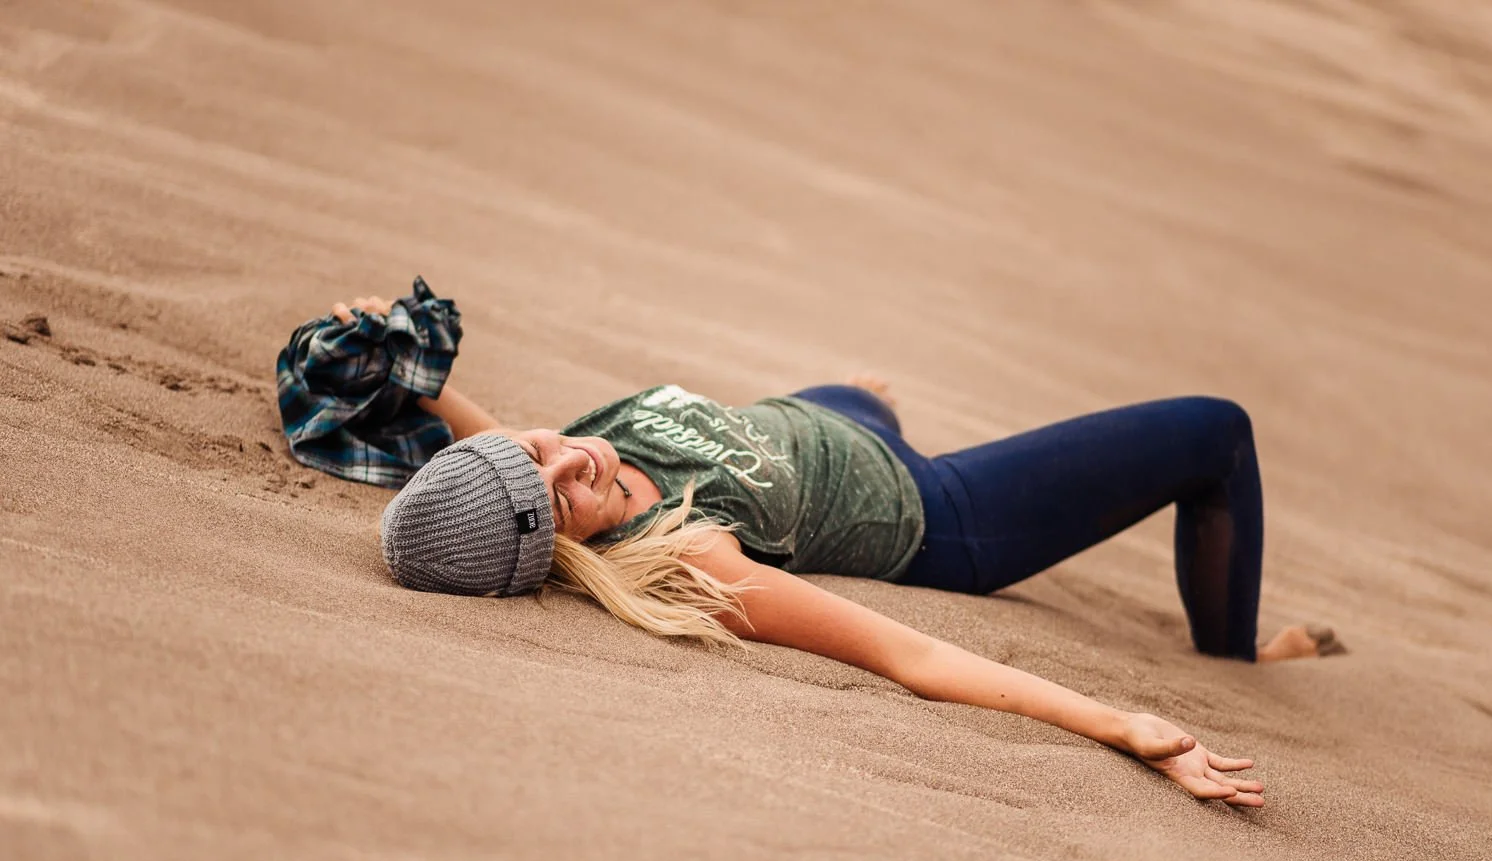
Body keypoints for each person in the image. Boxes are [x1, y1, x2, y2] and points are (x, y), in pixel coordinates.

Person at [294, 288, 1349, 810]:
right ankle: (1236, 657)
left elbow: (477, 453)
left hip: (830, 420)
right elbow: (914, 656)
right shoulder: (692, 551)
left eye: (536, 447)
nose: (574, 459)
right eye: (563, 496)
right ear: (553, 552)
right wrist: (1120, 724)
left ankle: (867, 398)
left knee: (868, 384)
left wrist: (394, 360)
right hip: (942, 507)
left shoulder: (546, 460)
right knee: (1214, 431)